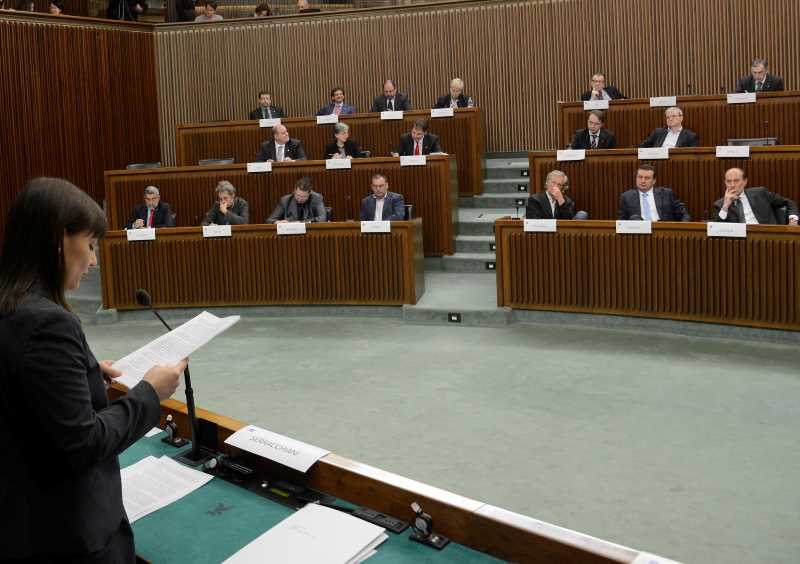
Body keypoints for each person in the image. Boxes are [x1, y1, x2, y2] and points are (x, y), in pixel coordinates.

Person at [0, 177, 186, 562]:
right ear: (59, 240)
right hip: (67, 533)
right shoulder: (48, 323)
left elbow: (22, 389)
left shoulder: (12, 305)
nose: (93, 261)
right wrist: (149, 393)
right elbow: (83, 443)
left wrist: (82, 372)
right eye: (90, 245)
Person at [712, 168, 798, 225]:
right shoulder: (720, 205)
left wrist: (793, 219)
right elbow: (716, 229)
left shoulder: (760, 193)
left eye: (736, 181)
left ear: (745, 181)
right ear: (725, 183)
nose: (732, 185)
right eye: (729, 181)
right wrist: (725, 206)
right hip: (740, 244)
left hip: (768, 239)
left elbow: (789, 203)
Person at [617, 164, 690, 221]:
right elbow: (621, 221)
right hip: (639, 233)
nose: (643, 181)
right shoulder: (627, 197)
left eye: (647, 178)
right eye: (640, 177)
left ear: (654, 181)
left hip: (663, 232)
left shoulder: (667, 194)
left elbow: (684, 214)